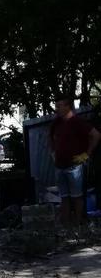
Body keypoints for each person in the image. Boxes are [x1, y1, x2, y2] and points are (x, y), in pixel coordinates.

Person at [48, 95, 100, 229]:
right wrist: (53, 153)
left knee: (77, 197)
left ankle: (77, 224)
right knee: (64, 197)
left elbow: (96, 135)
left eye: (59, 106)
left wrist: (86, 154)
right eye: (56, 106)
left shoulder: (77, 122)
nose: (57, 109)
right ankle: (66, 225)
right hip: (59, 166)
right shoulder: (57, 123)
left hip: (74, 166)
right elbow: (51, 138)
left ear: (68, 107)